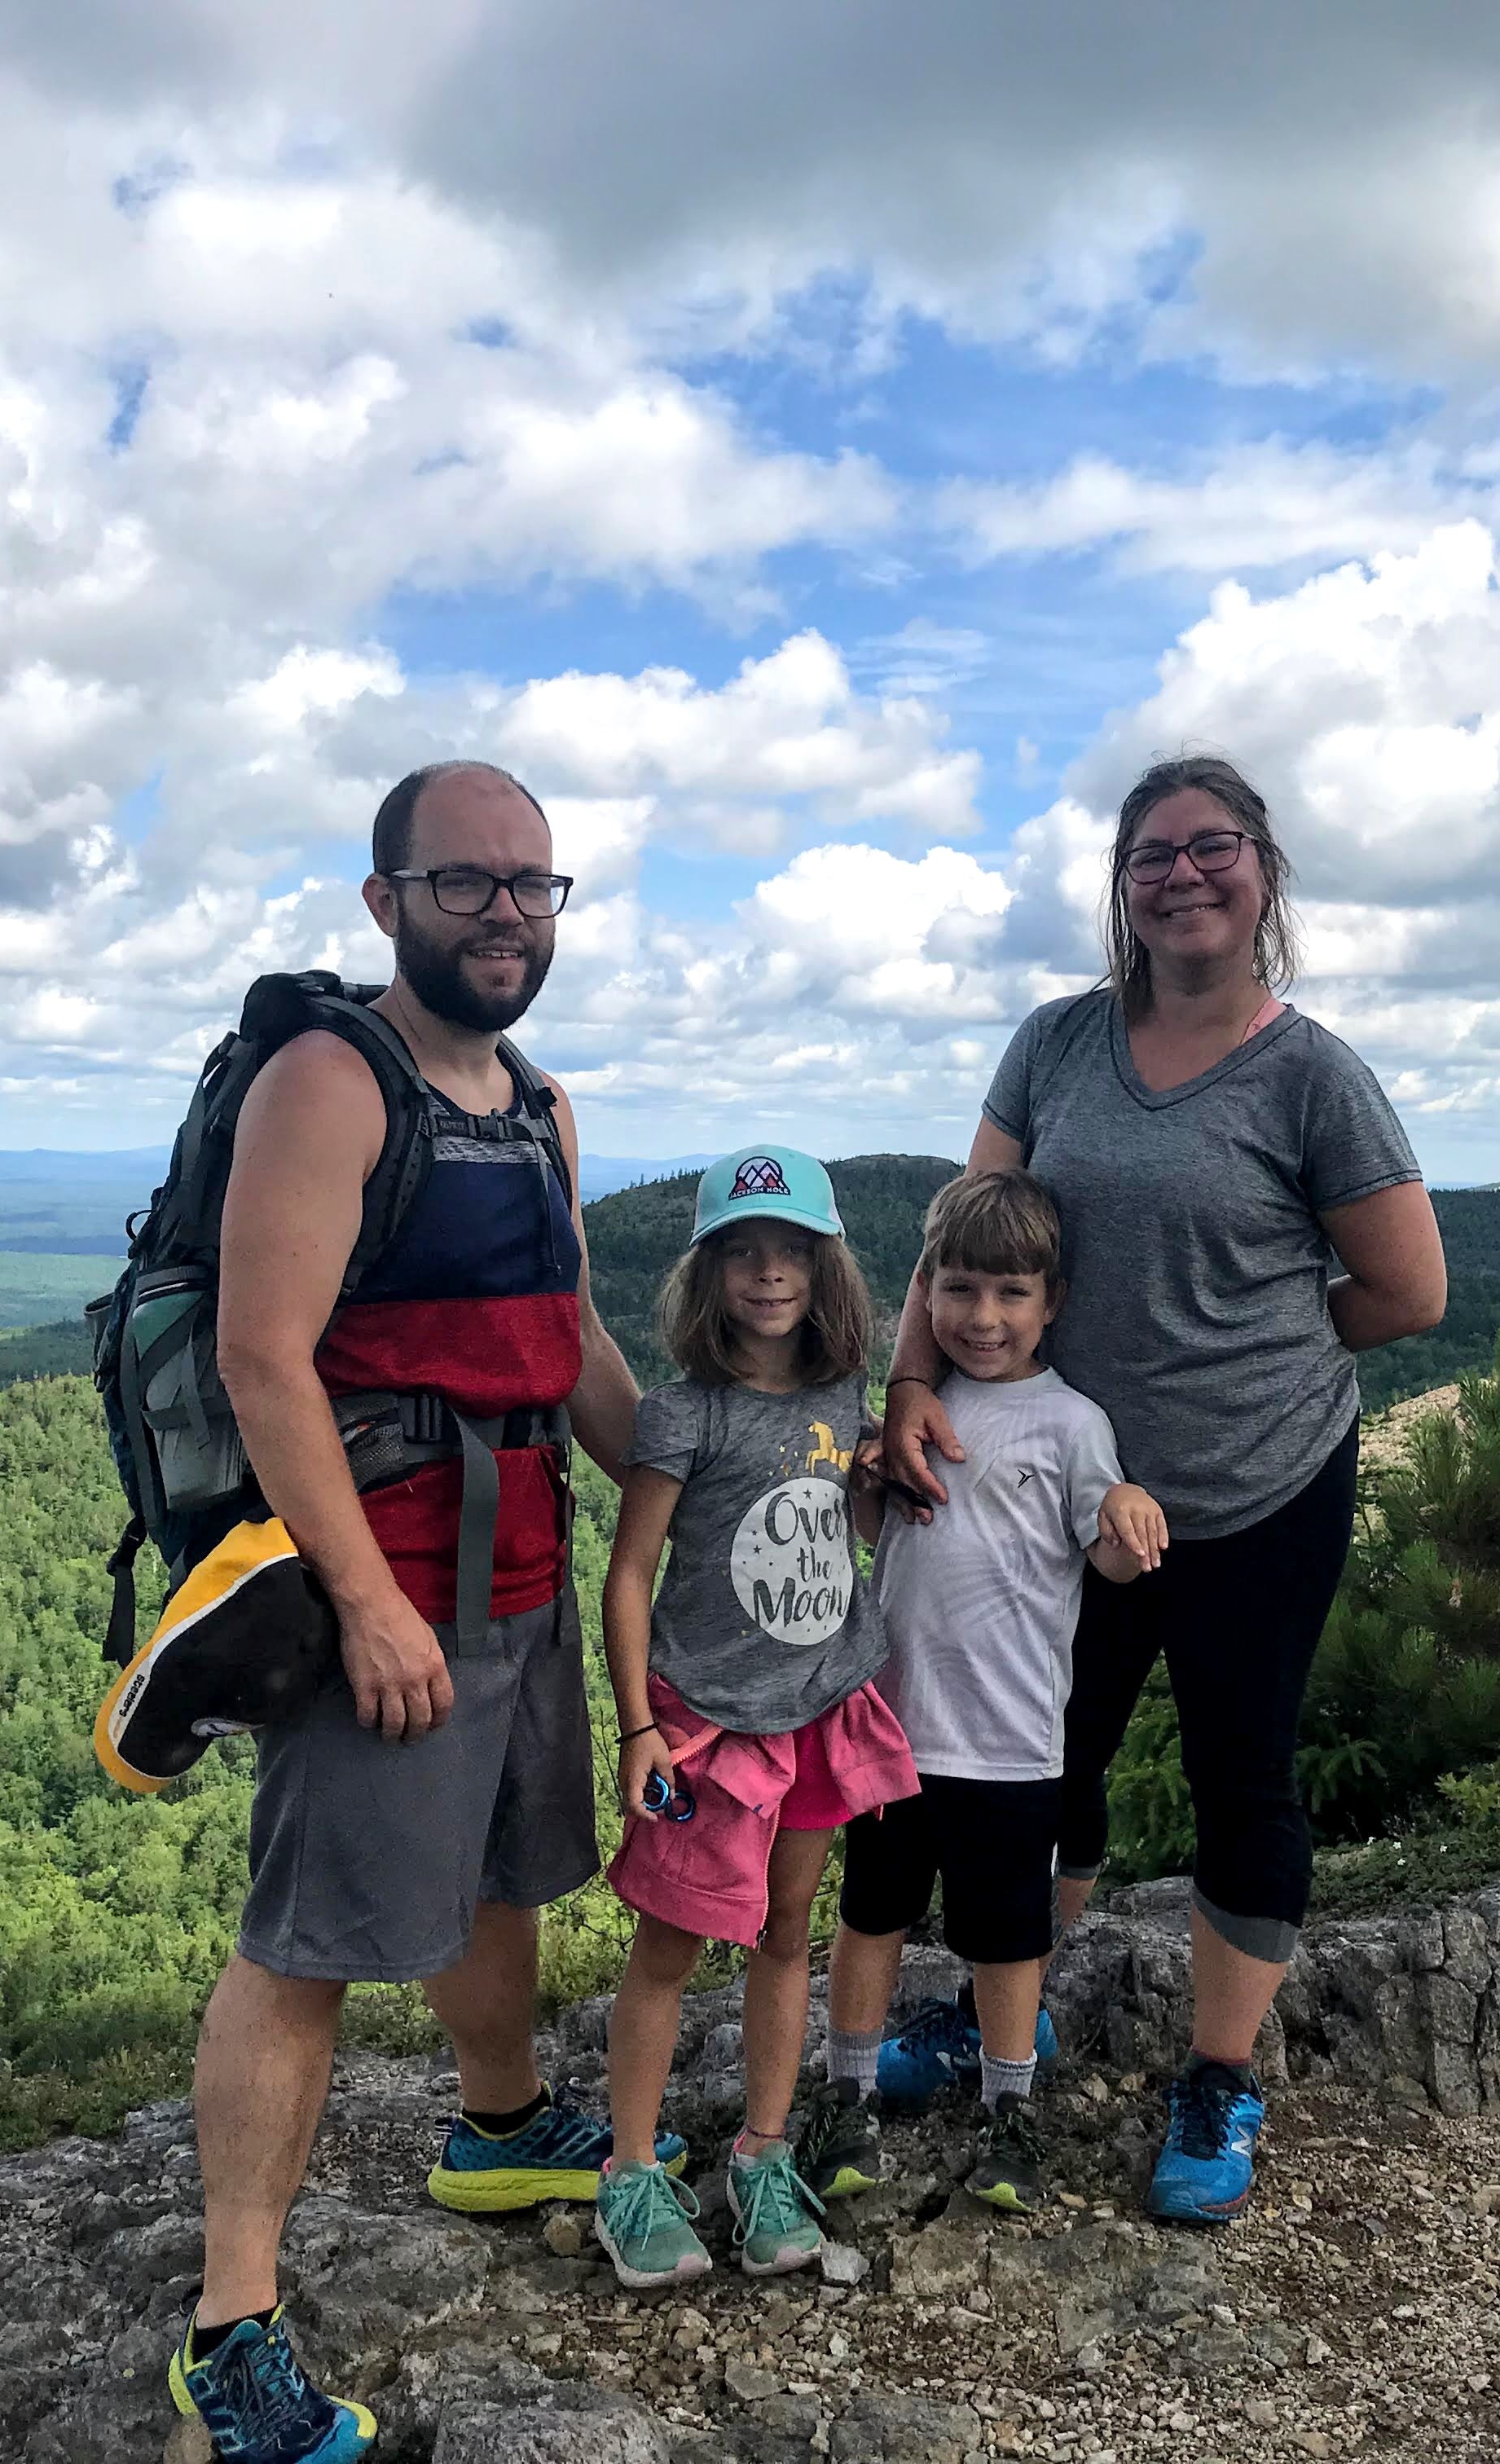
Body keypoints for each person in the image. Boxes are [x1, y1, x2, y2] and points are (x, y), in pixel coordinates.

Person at [174, 761, 671, 2464]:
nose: (509, 915)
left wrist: (722, 1477)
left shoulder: (538, 1102)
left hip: (524, 1569)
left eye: (535, 886)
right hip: (378, 1588)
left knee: (501, 1872)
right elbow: (261, 1356)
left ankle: (499, 2127)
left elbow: (575, 1344)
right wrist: (369, 1603)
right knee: (308, 1940)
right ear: (388, 901)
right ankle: (231, 2322)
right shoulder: (330, 1083)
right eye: (468, 884)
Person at [880, 753, 1446, 2227]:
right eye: (1153, 856)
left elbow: (1406, 1288)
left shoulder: (1309, 1071)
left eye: (1214, 849)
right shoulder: (1058, 1042)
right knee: (1038, 1755)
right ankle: (1020, 2006)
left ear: (1263, 871)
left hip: (1258, 1487)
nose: (1183, 876)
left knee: (1238, 1772)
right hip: (1056, 1490)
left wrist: (1253, 1350)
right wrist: (909, 1386)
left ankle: (1216, 2071)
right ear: (1120, 885)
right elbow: (959, 1235)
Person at [803, 1169, 1166, 2214]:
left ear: (1052, 1301)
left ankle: (1012, 2111)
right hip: (892, 1730)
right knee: (871, 1915)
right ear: (928, 1296)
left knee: (1008, 1936)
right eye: (959, 1290)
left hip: (1011, 1741)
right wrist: (868, 1484)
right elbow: (877, 1547)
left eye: (1011, 1293)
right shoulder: (918, 1411)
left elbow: (1099, 1548)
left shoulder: (1071, 1425)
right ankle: (848, 2095)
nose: (984, 1317)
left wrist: (1128, 1515)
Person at [592, 1147, 920, 2288]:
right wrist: (638, 1727)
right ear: (708, 1272)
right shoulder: (682, 1416)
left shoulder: (844, 1399)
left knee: (789, 1933)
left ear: (826, 1270)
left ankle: (764, 2156)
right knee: (672, 1943)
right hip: (711, 1722)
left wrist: (878, 1474)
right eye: (742, 1252)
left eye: (791, 1251)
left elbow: (853, 1532)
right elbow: (629, 1574)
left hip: (821, 1707)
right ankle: (631, 2175)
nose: (768, 1273)